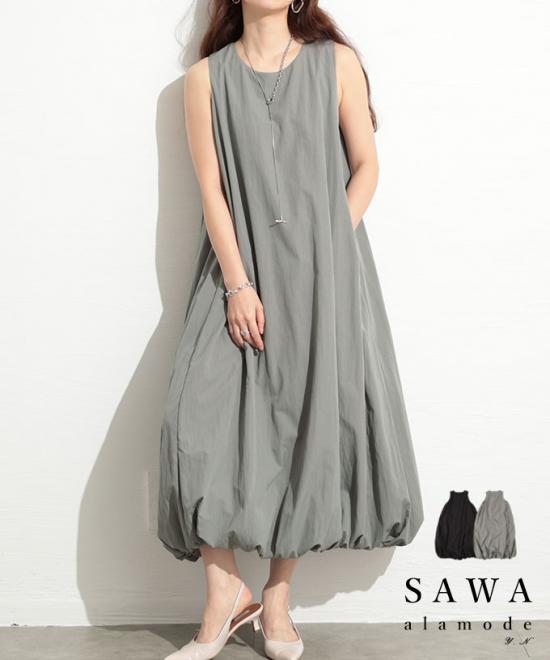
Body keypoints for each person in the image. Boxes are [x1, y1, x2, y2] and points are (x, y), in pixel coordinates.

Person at [158, 1, 424, 658]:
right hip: (235, 273)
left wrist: (325, 248)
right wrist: (238, 283)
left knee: (308, 425)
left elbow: (366, 166)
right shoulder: (205, 79)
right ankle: (225, 593)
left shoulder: (337, 64)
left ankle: (276, 599)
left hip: (324, 273)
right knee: (192, 419)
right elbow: (212, 190)